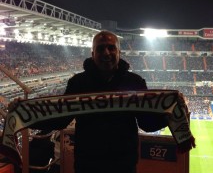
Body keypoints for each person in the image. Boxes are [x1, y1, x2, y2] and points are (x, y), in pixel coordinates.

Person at [31, 30, 169, 173]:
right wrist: (27, 115)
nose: (106, 53)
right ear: (93, 54)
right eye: (100, 48)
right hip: (88, 164)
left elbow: (146, 122)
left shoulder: (134, 82)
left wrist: (169, 115)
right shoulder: (78, 83)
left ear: (119, 52)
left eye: (111, 47)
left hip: (123, 164)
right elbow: (60, 120)